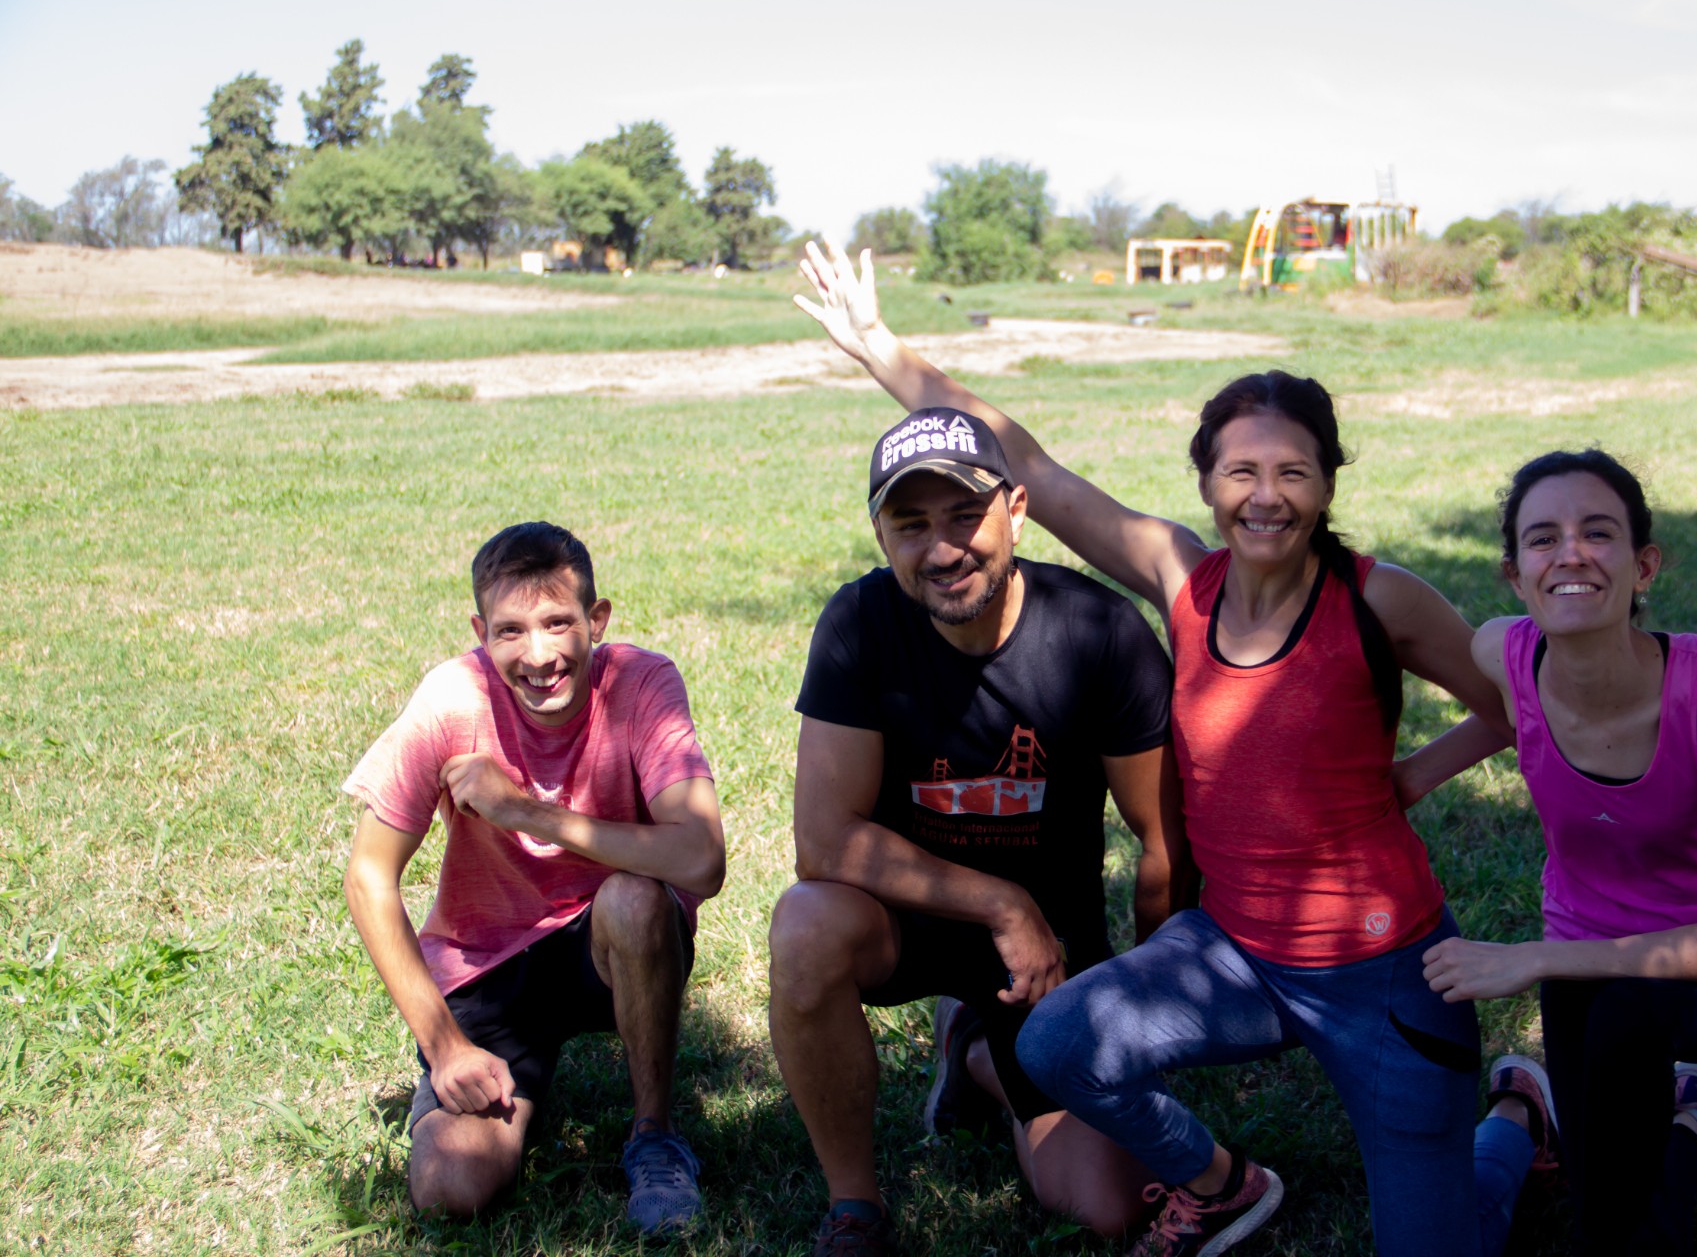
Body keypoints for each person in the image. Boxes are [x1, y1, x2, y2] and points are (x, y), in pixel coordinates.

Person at [796, 243, 1517, 1257]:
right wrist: (883, 352)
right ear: (1208, 482)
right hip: (1235, 955)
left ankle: (1521, 1117)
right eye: (1240, 472)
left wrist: (1411, 777)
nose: (1264, 497)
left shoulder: (1377, 597)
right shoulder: (1184, 582)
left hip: (1383, 969)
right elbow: (1030, 464)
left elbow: (1518, 705)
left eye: (1290, 472)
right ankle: (1219, 1186)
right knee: (1058, 1044)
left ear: (1326, 481)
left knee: (1440, 1243)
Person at [767, 403, 1190, 1255]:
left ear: (1018, 510)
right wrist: (999, 902)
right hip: (902, 922)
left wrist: (1157, 1011)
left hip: (1052, 956)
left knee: (1111, 1204)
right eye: (911, 524)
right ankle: (856, 1208)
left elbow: (1161, 846)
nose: (943, 548)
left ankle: (975, 1055)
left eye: (966, 514)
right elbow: (824, 840)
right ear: (882, 536)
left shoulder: (1100, 634)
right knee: (805, 923)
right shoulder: (859, 624)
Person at [1421, 449, 1697, 1256]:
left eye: (1596, 533)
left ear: (1643, 567)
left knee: (1629, 1025)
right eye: (1543, 539)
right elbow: (1513, 709)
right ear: (1515, 575)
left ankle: (1668, 1125)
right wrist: (1410, 776)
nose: (1569, 552)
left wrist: (1534, 958)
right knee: (1600, 1187)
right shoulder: (1503, 650)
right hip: (1589, 955)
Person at [341, 522, 725, 1233]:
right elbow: (368, 877)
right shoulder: (452, 698)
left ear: (597, 620)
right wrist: (444, 1045)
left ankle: (655, 1135)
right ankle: (507, 1074)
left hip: (605, 943)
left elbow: (703, 858)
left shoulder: (642, 682)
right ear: (480, 630)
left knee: (637, 898)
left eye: (558, 623)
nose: (539, 655)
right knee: (452, 1186)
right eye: (511, 631)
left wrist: (526, 813)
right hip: (485, 965)